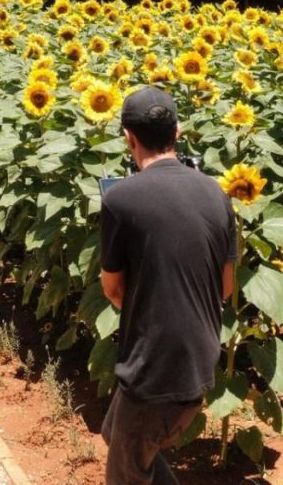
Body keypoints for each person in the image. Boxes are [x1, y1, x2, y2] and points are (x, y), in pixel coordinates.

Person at [99, 86, 236, 485]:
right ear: (177, 132)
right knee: (119, 434)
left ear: (129, 137)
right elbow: (224, 286)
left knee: (125, 475)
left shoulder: (121, 199)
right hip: (199, 361)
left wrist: (152, 311)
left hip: (153, 367)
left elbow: (113, 290)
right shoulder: (216, 193)